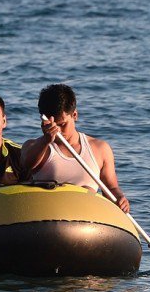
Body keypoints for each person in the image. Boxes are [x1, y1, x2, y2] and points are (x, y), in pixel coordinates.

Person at [21, 84, 130, 212]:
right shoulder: (34, 147)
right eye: (53, 125)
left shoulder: (100, 149)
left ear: (75, 115)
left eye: (62, 125)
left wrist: (120, 198)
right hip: (47, 216)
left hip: (86, 220)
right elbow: (27, 164)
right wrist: (46, 140)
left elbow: (111, 189)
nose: (58, 131)